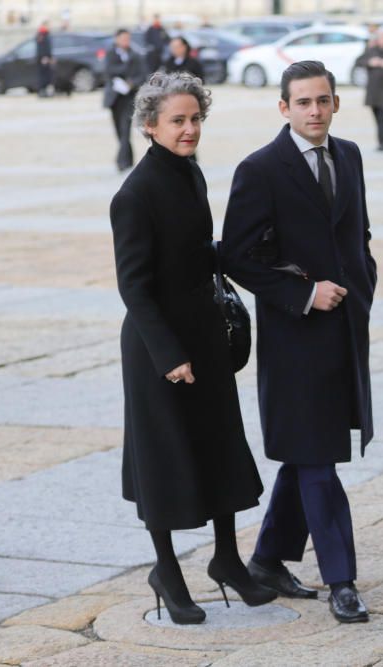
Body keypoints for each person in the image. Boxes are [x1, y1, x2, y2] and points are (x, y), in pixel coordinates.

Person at [110, 71, 274, 626]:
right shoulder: (133, 195)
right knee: (165, 458)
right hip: (161, 349)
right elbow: (134, 286)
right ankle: (167, 571)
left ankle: (227, 560)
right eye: (177, 121)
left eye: (195, 118)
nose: (189, 129)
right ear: (150, 126)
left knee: (218, 444)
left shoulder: (191, 176)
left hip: (203, 337)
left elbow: (201, 254)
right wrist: (168, 355)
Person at [221, 60, 377, 625]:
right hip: (294, 340)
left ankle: (265, 559)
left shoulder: (351, 155)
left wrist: (364, 284)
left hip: (345, 332)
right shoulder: (260, 169)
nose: (315, 111)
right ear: (284, 108)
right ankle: (342, 579)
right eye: (303, 102)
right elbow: (234, 255)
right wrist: (305, 294)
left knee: (308, 451)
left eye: (323, 101)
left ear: (336, 103)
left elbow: (355, 231)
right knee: (318, 459)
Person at [103, 29, 147, 172]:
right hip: (115, 97)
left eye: (128, 38)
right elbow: (109, 71)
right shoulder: (110, 54)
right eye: (123, 38)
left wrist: (131, 83)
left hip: (129, 97)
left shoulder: (135, 55)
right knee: (119, 130)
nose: (126, 41)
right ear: (116, 39)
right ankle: (127, 159)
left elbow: (142, 75)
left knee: (125, 128)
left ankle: (121, 161)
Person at [35, 21, 53, 97]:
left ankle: (44, 91)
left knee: (47, 76)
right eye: (47, 25)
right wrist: (44, 57)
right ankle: (41, 91)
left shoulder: (45, 34)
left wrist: (50, 57)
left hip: (46, 58)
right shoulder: (41, 34)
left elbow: (48, 47)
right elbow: (41, 48)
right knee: (43, 76)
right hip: (43, 59)